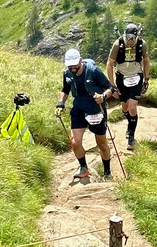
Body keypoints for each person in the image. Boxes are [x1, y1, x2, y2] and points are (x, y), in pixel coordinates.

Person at [56, 48, 115, 180]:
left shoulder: (93, 71)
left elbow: (110, 88)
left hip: (96, 109)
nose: (73, 68)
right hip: (78, 108)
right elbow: (65, 90)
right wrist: (61, 103)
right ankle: (83, 168)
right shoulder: (67, 74)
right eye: (70, 65)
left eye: (75, 65)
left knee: (101, 143)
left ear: (81, 61)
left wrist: (103, 96)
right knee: (75, 142)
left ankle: (107, 172)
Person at [106, 23, 151, 150]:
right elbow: (109, 64)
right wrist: (112, 85)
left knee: (132, 107)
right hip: (121, 77)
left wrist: (146, 80)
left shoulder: (142, 44)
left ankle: (131, 136)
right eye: (127, 38)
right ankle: (129, 124)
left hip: (136, 76)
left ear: (136, 36)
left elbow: (146, 61)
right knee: (125, 107)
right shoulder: (117, 44)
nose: (129, 41)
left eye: (132, 38)